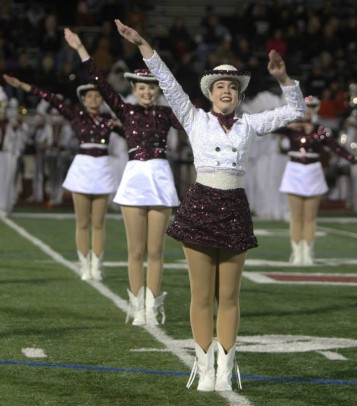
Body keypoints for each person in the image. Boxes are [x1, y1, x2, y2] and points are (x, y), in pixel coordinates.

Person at [114, 18, 305, 391]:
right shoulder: (193, 117)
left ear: (239, 94)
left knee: (229, 296)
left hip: (233, 207)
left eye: (232, 87)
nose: (226, 92)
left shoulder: (250, 124)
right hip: (200, 204)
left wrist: (284, 79)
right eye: (220, 86)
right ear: (210, 91)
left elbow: (295, 112)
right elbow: (167, 81)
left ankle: (226, 369)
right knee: (201, 295)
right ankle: (203, 367)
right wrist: (142, 44)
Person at [64, 28, 183, 327]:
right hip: (134, 178)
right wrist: (80, 47)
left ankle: (152, 307)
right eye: (142, 87)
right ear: (134, 88)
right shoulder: (125, 111)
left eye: (151, 87)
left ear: (157, 89)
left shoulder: (168, 114)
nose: (147, 91)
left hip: (159, 176)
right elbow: (99, 82)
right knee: (135, 250)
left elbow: (195, 121)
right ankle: (136, 306)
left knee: (156, 250)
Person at [3, 74, 123, 281]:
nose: (94, 100)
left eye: (97, 96)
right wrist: (23, 85)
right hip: (83, 168)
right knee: (82, 222)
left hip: (102, 167)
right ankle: (84, 265)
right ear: (83, 100)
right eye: (89, 97)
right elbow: (51, 99)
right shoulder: (77, 117)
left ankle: (97, 265)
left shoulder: (110, 122)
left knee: (99, 223)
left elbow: (134, 132)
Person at [278, 95, 357, 265]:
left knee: (310, 217)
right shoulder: (291, 128)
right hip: (294, 170)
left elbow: (336, 147)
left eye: (311, 107)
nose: (308, 111)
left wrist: (355, 161)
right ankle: (296, 253)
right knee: (296, 217)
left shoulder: (321, 130)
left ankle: (308, 253)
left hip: (313, 171)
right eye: (304, 107)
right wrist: (288, 124)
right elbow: (269, 129)